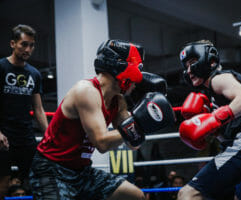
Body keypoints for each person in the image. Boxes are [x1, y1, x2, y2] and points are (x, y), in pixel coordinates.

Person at [29, 39, 175, 200]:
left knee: (135, 196)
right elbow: (102, 143)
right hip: (51, 170)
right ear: (122, 67)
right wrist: (138, 121)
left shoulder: (118, 101)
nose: (138, 79)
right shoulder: (86, 91)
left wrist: (145, 117)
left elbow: (134, 143)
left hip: (82, 172)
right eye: (137, 70)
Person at [177, 40, 241, 200]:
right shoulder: (214, 98)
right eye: (186, 66)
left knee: (188, 194)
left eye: (192, 62)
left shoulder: (218, 79)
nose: (189, 70)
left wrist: (213, 118)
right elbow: (228, 133)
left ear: (209, 60)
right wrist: (211, 130)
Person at [0, 24, 48, 198]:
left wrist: (49, 135)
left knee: (39, 180)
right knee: (3, 184)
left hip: (25, 137)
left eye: (31, 45)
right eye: (24, 44)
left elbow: (38, 108)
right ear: (13, 43)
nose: (28, 49)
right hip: (3, 137)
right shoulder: (1, 67)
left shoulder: (34, 74)